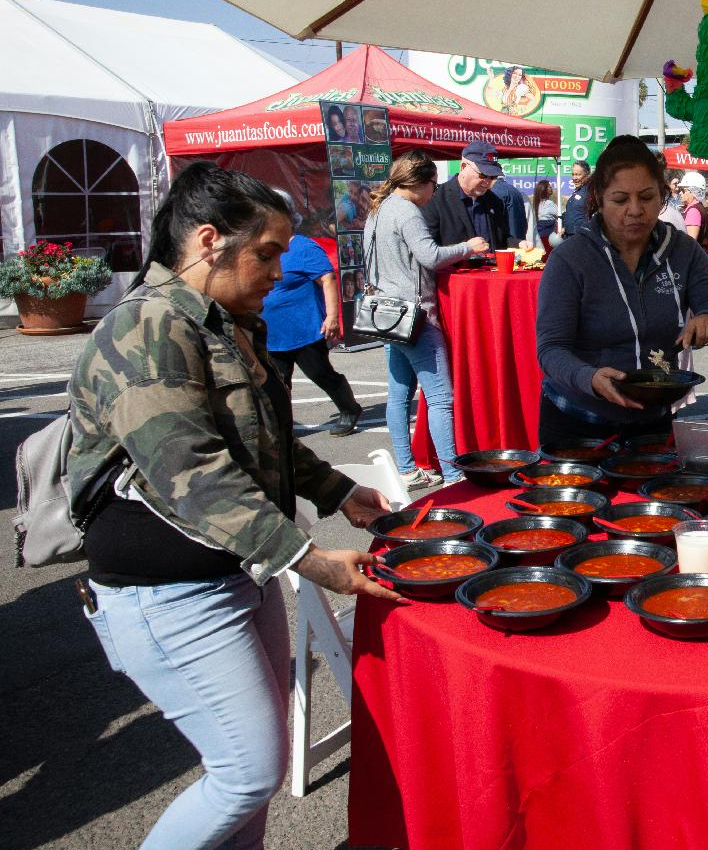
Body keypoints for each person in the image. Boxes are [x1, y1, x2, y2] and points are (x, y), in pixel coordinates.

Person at [67, 162, 401, 850]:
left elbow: (263, 440)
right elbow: (193, 472)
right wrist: (310, 560)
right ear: (210, 240)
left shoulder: (220, 319)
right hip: (165, 591)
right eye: (267, 252)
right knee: (247, 772)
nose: (281, 270)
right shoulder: (148, 330)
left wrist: (338, 491)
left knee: (251, 768)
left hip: (229, 574)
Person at [536, 135, 708, 441]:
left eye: (646, 197)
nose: (635, 210)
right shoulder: (570, 259)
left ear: (662, 196)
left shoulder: (682, 251)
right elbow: (551, 349)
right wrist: (588, 378)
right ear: (599, 199)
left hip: (652, 424)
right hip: (577, 425)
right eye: (620, 199)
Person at [366, 151, 487, 488]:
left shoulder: (379, 209)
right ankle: (452, 473)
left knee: (398, 395)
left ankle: (407, 470)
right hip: (414, 316)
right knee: (439, 398)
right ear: (420, 183)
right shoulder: (407, 212)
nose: (434, 192)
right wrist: (468, 247)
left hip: (384, 314)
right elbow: (430, 256)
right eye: (433, 185)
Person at [261, 189, 362, 436]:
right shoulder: (262, 248)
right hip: (274, 332)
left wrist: (332, 317)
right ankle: (281, 425)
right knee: (278, 382)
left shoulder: (303, 247)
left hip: (305, 330)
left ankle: (349, 408)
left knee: (320, 373)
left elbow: (327, 279)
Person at [421, 140, 528, 250]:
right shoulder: (436, 199)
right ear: (463, 167)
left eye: (492, 176)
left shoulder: (494, 201)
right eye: (483, 175)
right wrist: (465, 249)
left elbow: (501, 239)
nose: (487, 181)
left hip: (491, 266)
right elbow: (428, 249)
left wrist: (518, 243)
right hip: (454, 267)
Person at [560, 159, 591, 238]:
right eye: (573, 174)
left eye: (578, 174)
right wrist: (564, 227)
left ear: (587, 174)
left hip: (581, 238)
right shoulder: (576, 192)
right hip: (569, 237)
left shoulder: (591, 192)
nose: (574, 178)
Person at [528, 178, 561, 249]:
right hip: (547, 236)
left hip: (538, 235)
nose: (551, 188)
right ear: (544, 189)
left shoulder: (536, 203)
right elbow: (560, 215)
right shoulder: (549, 203)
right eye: (549, 187)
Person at [680, 175, 708, 251]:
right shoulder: (697, 207)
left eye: (683, 190)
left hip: (696, 259)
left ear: (692, 192)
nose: (680, 193)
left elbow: (690, 242)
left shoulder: (693, 211)